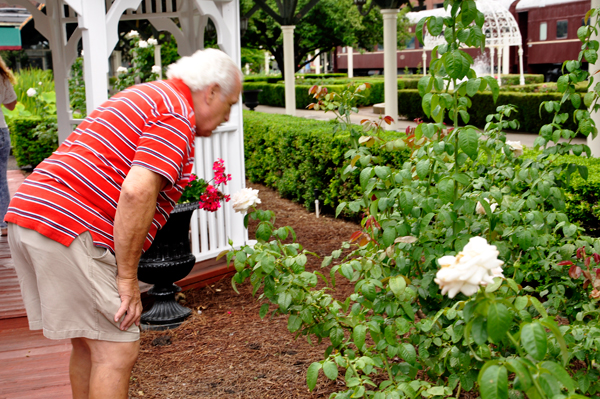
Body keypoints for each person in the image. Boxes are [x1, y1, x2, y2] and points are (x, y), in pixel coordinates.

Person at [6, 48, 242, 399]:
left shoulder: (150, 95)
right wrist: (127, 278)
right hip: (70, 226)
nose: (228, 114)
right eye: (231, 102)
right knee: (116, 350)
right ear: (210, 92)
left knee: (90, 344)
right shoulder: (177, 115)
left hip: (33, 215)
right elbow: (136, 191)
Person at [0, 57, 17, 237]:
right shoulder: (2, 76)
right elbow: (11, 105)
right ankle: (4, 224)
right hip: (1, 131)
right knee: (1, 179)